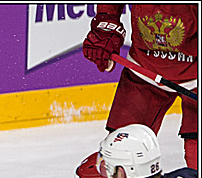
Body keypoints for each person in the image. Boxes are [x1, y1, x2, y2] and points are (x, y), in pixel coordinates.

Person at [82, 4, 198, 169]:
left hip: (195, 76)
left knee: (196, 156)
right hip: (143, 70)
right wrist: (107, 21)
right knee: (120, 153)